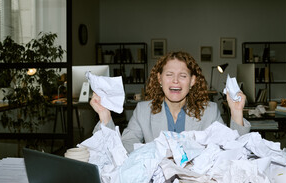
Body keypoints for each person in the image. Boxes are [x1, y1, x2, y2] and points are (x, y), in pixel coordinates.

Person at [91, 51, 250, 153]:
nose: (175, 81)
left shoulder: (210, 111)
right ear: (159, 79)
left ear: (192, 81)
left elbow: (231, 150)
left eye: (183, 76)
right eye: (169, 74)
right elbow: (124, 148)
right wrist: (105, 115)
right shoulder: (143, 110)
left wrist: (236, 113)